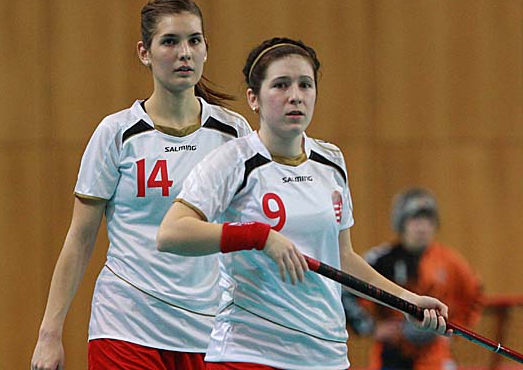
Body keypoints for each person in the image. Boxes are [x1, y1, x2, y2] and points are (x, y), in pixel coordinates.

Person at [157, 37, 452, 370]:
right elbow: (171, 234)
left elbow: (342, 257)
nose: (295, 96)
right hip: (249, 353)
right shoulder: (231, 162)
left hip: (324, 355)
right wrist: (258, 236)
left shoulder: (331, 161)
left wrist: (408, 301)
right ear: (253, 98)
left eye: (305, 85)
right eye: (281, 85)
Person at [31, 0, 252, 370]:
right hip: (126, 325)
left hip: (210, 329)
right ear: (144, 52)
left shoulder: (234, 133)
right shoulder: (116, 133)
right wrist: (48, 334)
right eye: (170, 41)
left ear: (206, 48)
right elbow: (80, 238)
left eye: (194, 40)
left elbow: (253, 230)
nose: (184, 53)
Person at [342, 187, 483, 370]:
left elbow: (474, 295)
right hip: (389, 357)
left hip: (435, 358)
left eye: (428, 219)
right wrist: (371, 327)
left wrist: (453, 329)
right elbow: (344, 290)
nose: (422, 227)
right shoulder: (381, 259)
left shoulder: (451, 262)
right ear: (401, 224)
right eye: (414, 219)